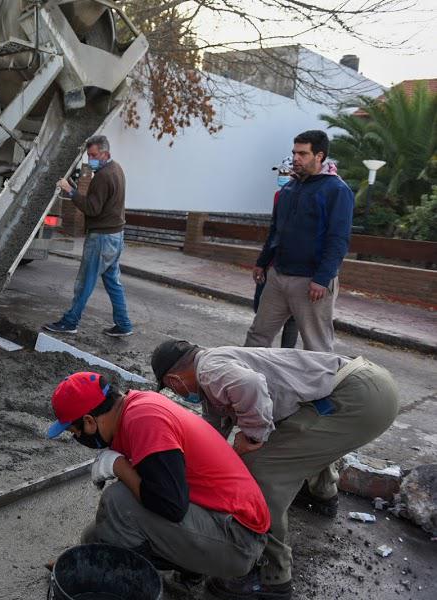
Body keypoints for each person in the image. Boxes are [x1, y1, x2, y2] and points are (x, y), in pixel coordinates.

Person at [151, 339, 398, 599]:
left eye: (171, 389)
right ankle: (320, 493)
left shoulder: (210, 370)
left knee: (259, 470)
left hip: (358, 398)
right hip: (368, 384)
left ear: (174, 380)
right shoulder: (214, 368)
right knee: (290, 437)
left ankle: (271, 576)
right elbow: (211, 433)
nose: (177, 394)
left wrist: (253, 436)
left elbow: (251, 385)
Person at [46, 372, 270, 585]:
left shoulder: (144, 420)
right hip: (219, 517)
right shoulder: (134, 406)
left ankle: (127, 584)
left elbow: (170, 506)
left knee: (117, 502)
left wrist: (120, 467)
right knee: (94, 535)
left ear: (89, 422)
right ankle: (189, 568)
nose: (78, 437)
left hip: (239, 539)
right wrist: (79, 560)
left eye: (75, 432)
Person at [245, 130, 354, 352]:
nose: (296, 158)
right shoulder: (289, 188)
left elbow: (338, 240)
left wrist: (322, 279)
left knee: (317, 344)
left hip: (311, 281)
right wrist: (263, 261)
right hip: (279, 275)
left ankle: (318, 387)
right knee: (258, 335)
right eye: (294, 153)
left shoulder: (337, 190)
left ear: (319, 156)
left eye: (303, 154)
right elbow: (276, 230)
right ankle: (241, 381)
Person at [44, 135, 133, 337]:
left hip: (101, 238)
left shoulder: (102, 176)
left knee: (85, 282)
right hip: (116, 236)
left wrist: (70, 192)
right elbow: (100, 202)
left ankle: (70, 322)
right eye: (89, 155)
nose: (90, 159)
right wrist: (74, 188)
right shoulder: (117, 169)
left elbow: (92, 208)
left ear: (105, 154)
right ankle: (124, 324)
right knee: (113, 283)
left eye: (93, 155)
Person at [254, 156, 299, 349]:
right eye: (280, 173)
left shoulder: (303, 196)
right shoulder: (280, 196)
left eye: (285, 173)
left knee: (293, 318)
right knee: (261, 312)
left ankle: (285, 356)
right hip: (274, 264)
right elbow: (274, 231)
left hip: (296, 268)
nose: (282, 176)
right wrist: (262, 262)